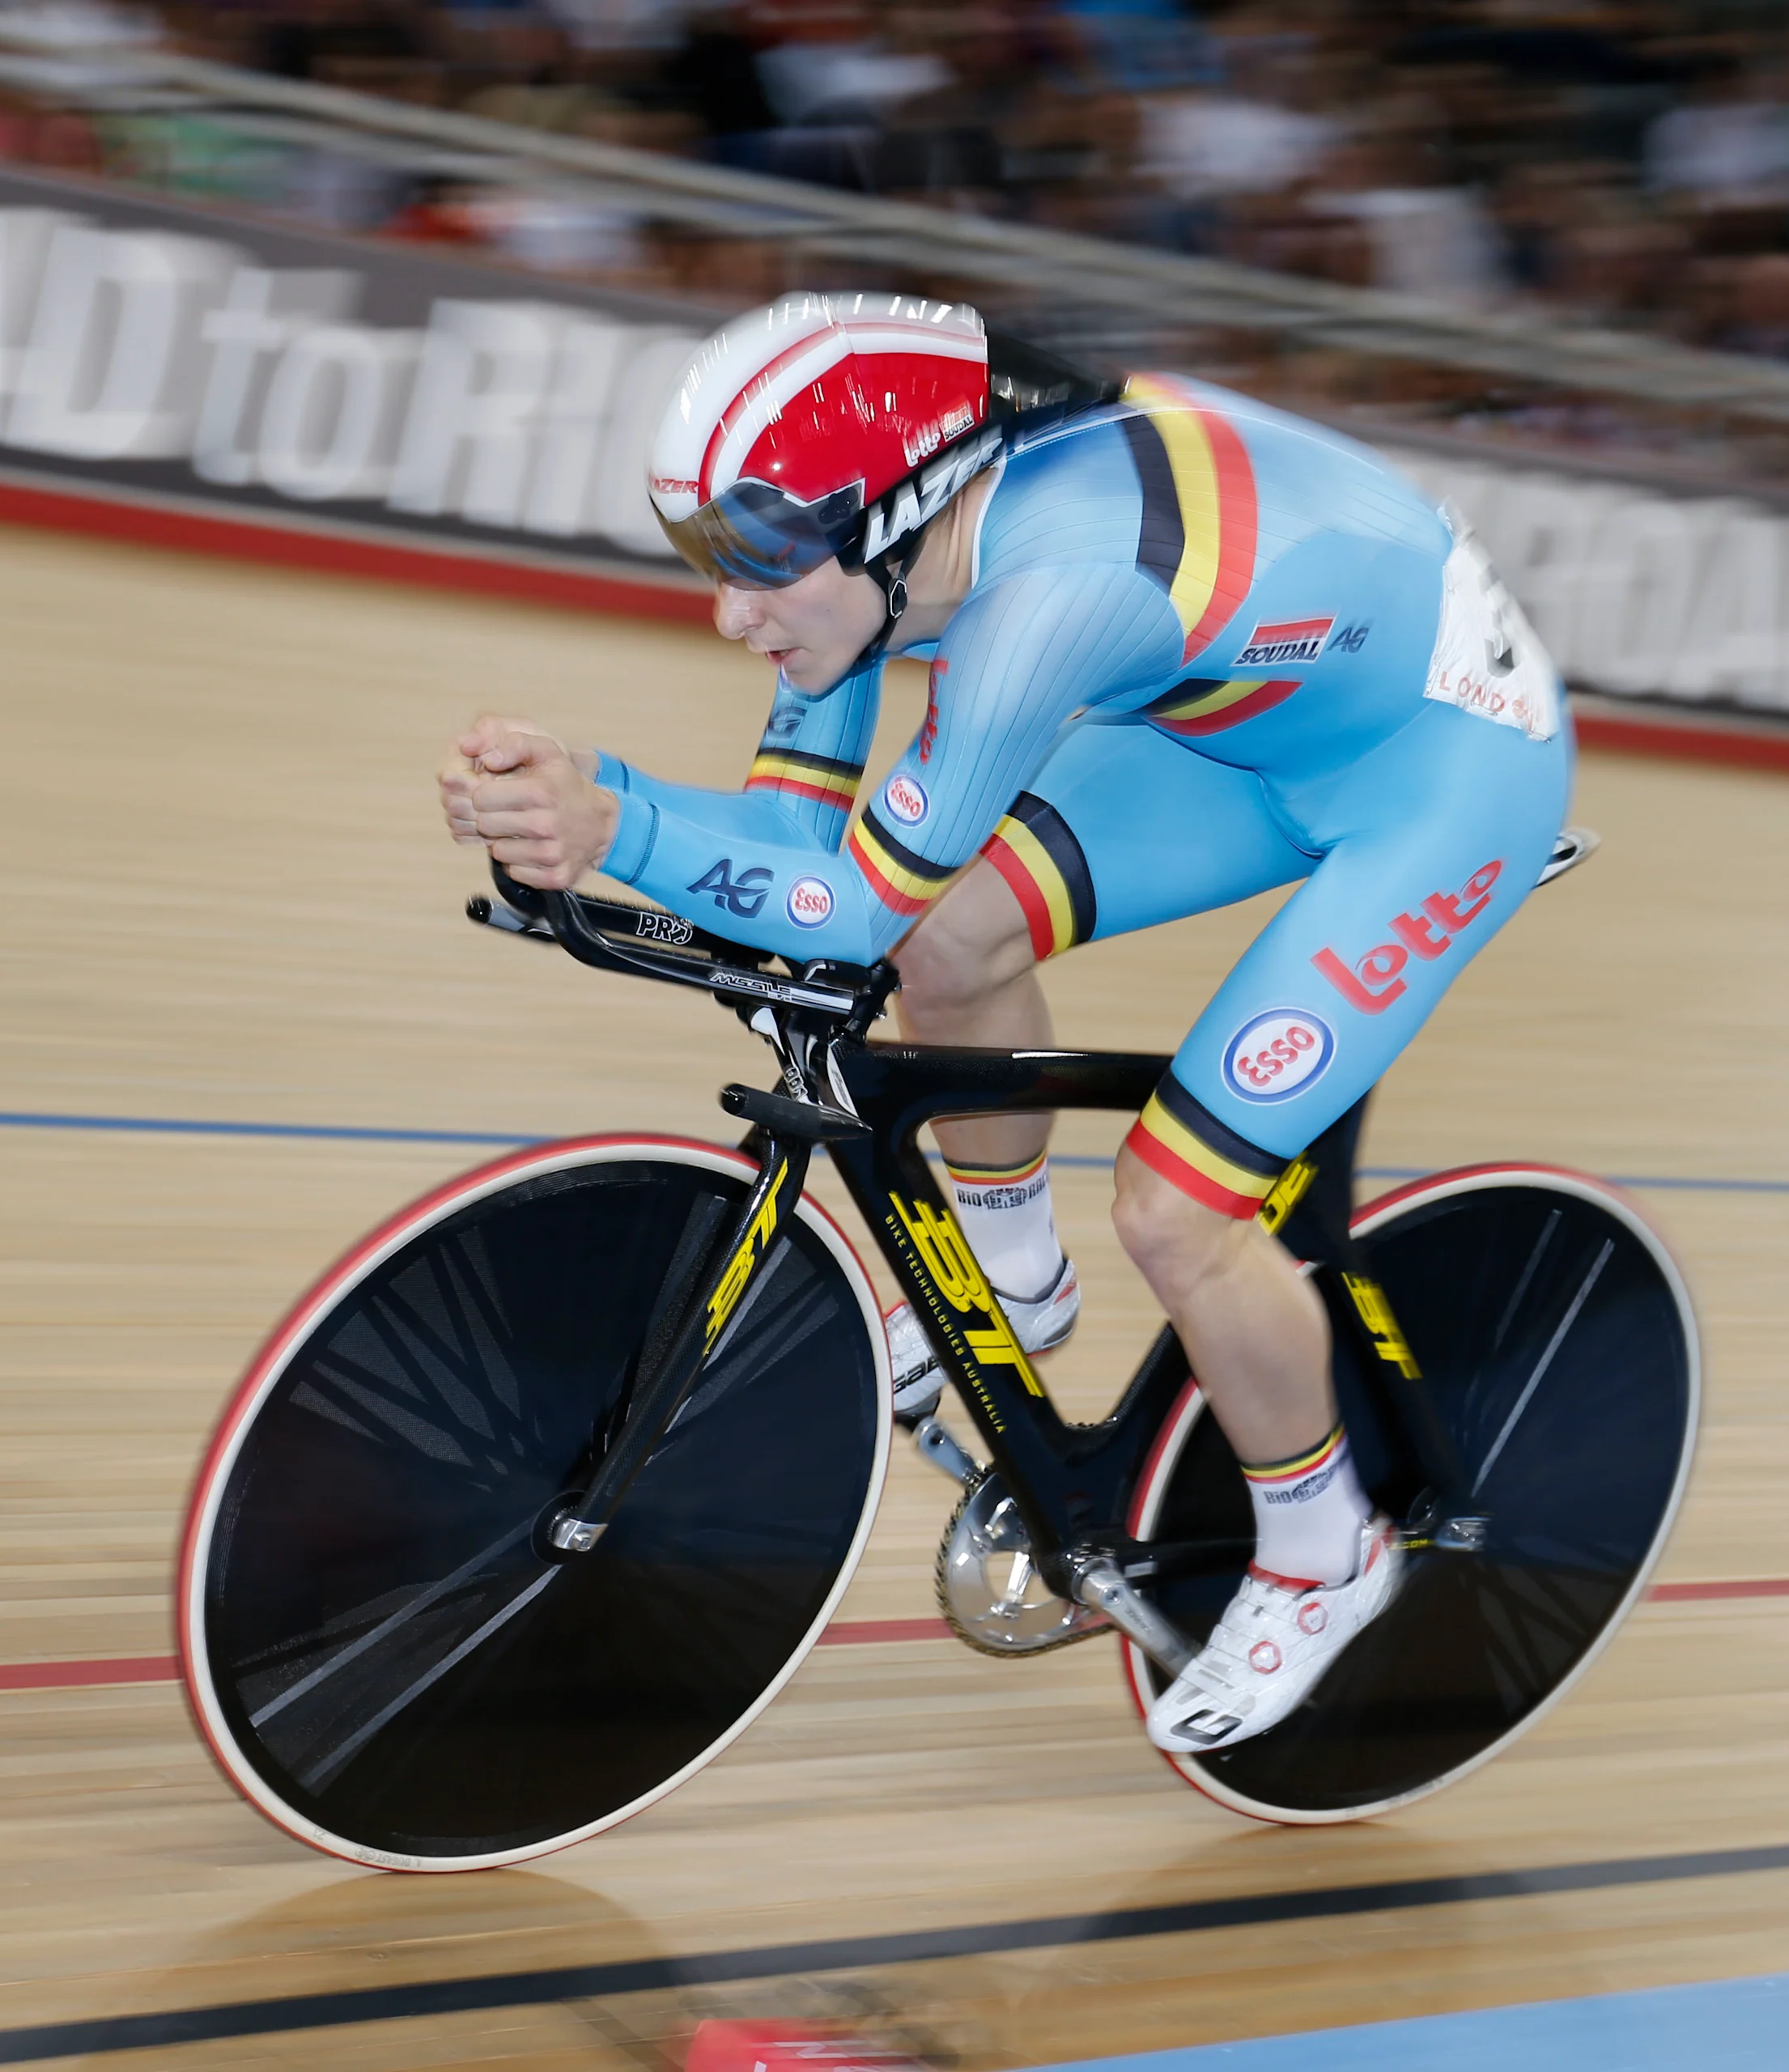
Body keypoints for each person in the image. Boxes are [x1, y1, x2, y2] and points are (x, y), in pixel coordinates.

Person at [437, 292, 1567, 1753]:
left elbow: (836, 909)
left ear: (898, 512)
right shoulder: (896, 558)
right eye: (710, 561)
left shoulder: (1051, 600)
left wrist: (616, 824)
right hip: (1243, 733)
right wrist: (595, 798)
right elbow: (804, 841)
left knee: (1178, 1209)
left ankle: (1322, 1550)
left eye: (765, 560)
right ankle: (1015, 1273)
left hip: (1442, 773)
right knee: (951, 929)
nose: (732, 611)